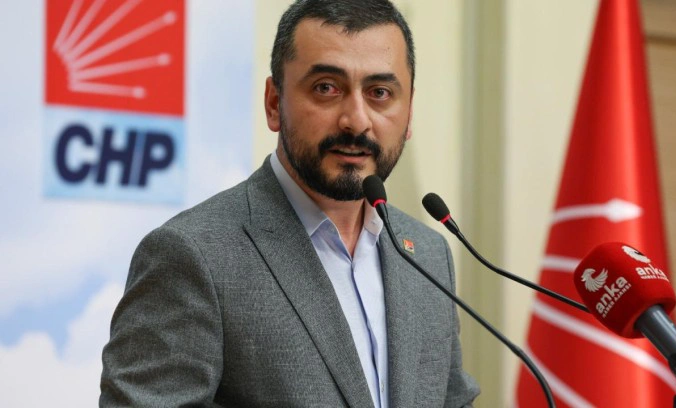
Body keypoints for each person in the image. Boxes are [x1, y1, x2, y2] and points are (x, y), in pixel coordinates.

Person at [99, 0, 480, 406]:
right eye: (326, 88)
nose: (356, 120)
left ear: (409, 112)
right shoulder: (193, 256)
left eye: (380, 93)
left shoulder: (428, 255)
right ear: (273, 103)